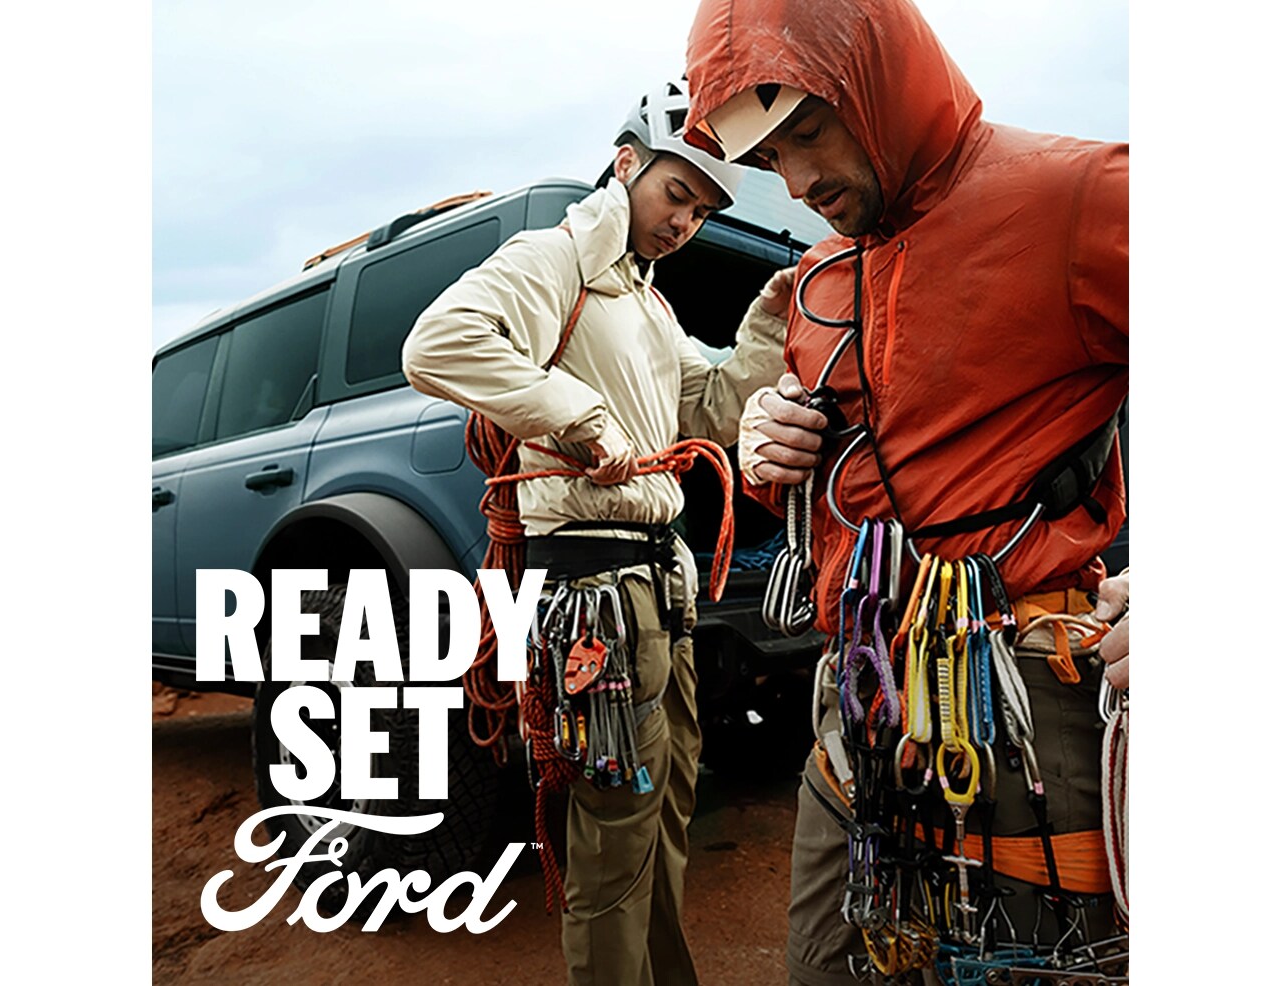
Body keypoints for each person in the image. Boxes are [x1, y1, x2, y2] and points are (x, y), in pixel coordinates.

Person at [681, 0, 1129, 981]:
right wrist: (768, 452)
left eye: (809, 130)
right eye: (769, 159)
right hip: (852, 720)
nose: (798, 183)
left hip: (1018, 706)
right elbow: (825, 488)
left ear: (878, 81)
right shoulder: (816, 282)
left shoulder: (1080, 196)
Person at [402, 79, 792, 986]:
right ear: (626, 164)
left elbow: (712, 406)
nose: (685, 223)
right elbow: (437, 342)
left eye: (702, 211)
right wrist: (577, 416)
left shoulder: (649, 305)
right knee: (614, 841)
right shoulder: (556, 258)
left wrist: (767, 324)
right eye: (676, 194)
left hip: (662, 594)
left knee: (665, 813)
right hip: (594, 592)